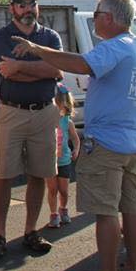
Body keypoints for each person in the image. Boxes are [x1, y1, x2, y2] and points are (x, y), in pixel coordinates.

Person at [9, 0, 136, 271]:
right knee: (132, 209)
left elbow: (81, 64)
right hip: (133, 140)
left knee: (106, 212)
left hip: (107, 142)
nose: (95, 18)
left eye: (97, 14)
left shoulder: (114, 47)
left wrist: (37, 49)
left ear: (108, 18)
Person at [0, 0, 63, 259]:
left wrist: (21, 66)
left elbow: (57, 70)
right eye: (22, 4)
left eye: (32, 3)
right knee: (4, 175)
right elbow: (7, 73)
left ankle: (31, 231)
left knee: (39, 174)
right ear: (12, 8)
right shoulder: (1, 37)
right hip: (12, 112)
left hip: (44, 112)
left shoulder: (50, 37)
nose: (28, 9)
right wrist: (41, 71)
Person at [45, 84, 80, 228]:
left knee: (64, 190)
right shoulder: (47, 120)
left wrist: (76, 149)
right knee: (52, 189)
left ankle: (63, 209)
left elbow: (75, 139)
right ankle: (54, 214)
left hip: (64, 160)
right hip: (49, 160)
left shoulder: (67, 122)